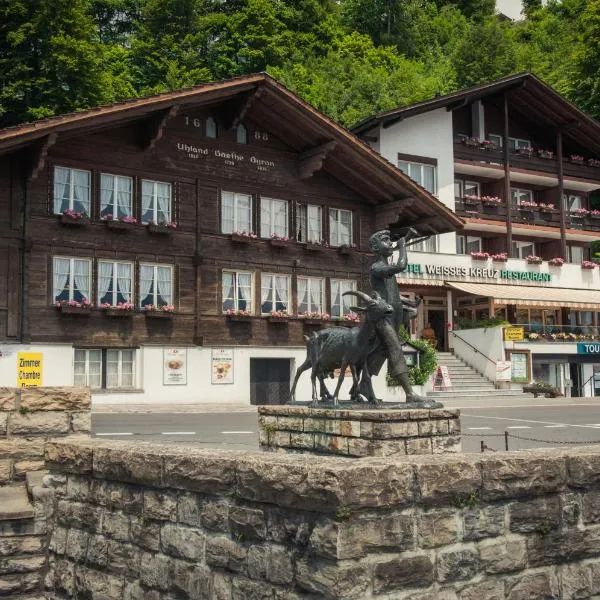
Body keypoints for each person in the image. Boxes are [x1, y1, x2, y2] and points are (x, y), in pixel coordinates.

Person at [366, 228, 428, 403]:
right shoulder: (377, 267)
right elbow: (401, 265)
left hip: (395, 314)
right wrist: (402, 246)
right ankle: (409, 393)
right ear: (376, 248)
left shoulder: (385, 269)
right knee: (395, 348)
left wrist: (409, 303)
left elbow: (391, 292)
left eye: (389, 240)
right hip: (383, 317)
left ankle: (360, 385)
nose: (389, 243)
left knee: (382, 351)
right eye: (385, 240)